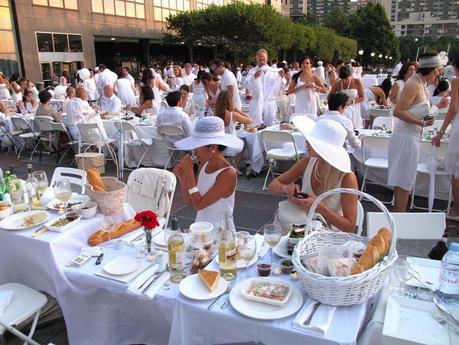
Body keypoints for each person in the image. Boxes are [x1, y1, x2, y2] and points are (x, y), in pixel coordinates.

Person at [268, 117, 358, 232]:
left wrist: (319, 206)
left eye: (312, 141)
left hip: (329, 236)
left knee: (290, 243)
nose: (306, 142)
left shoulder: (346, 177)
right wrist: (286, 188)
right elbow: (272, 186)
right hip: (302, 227)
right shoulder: (308, 162)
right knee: (290, 245)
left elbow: (349, 227)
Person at [388, 52, 440, 212]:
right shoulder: (413, 84)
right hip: (405, 138)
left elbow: (415, 109)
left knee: (404, 182)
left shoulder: (421, 84)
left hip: (412, 136)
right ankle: (399, 220)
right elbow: (398, 111)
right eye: (437, 70)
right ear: (430, 69)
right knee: (404, 183)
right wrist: (422, 122)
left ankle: (398, 219)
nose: (438, 73)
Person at [173, 116, 243, 230]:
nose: (194, 149)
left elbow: (199, 204)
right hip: (201, 229)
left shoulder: (228, 173)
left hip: (221, 233)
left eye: (198, 145)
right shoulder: (204, 163)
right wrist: (183, 177)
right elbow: (192, 203)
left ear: (213, 147)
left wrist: (190, 172)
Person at [432, 56, 459, 220]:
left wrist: (441, 131)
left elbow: (453, 108)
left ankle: (457, 208)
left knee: (456, 172)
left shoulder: (457, 81)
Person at [242, 49, 284, 126]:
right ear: (256, 59)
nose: (262, 62)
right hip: (256, 102)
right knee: (255, 126)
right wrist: (254, 77)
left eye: (264, 59)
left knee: (270, 128)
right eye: (259, 60)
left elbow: (280, 88)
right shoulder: (252, 71)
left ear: (267, 59)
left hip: (270, 103)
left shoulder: (273, 71)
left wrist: (281, 77)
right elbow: (245, 85)